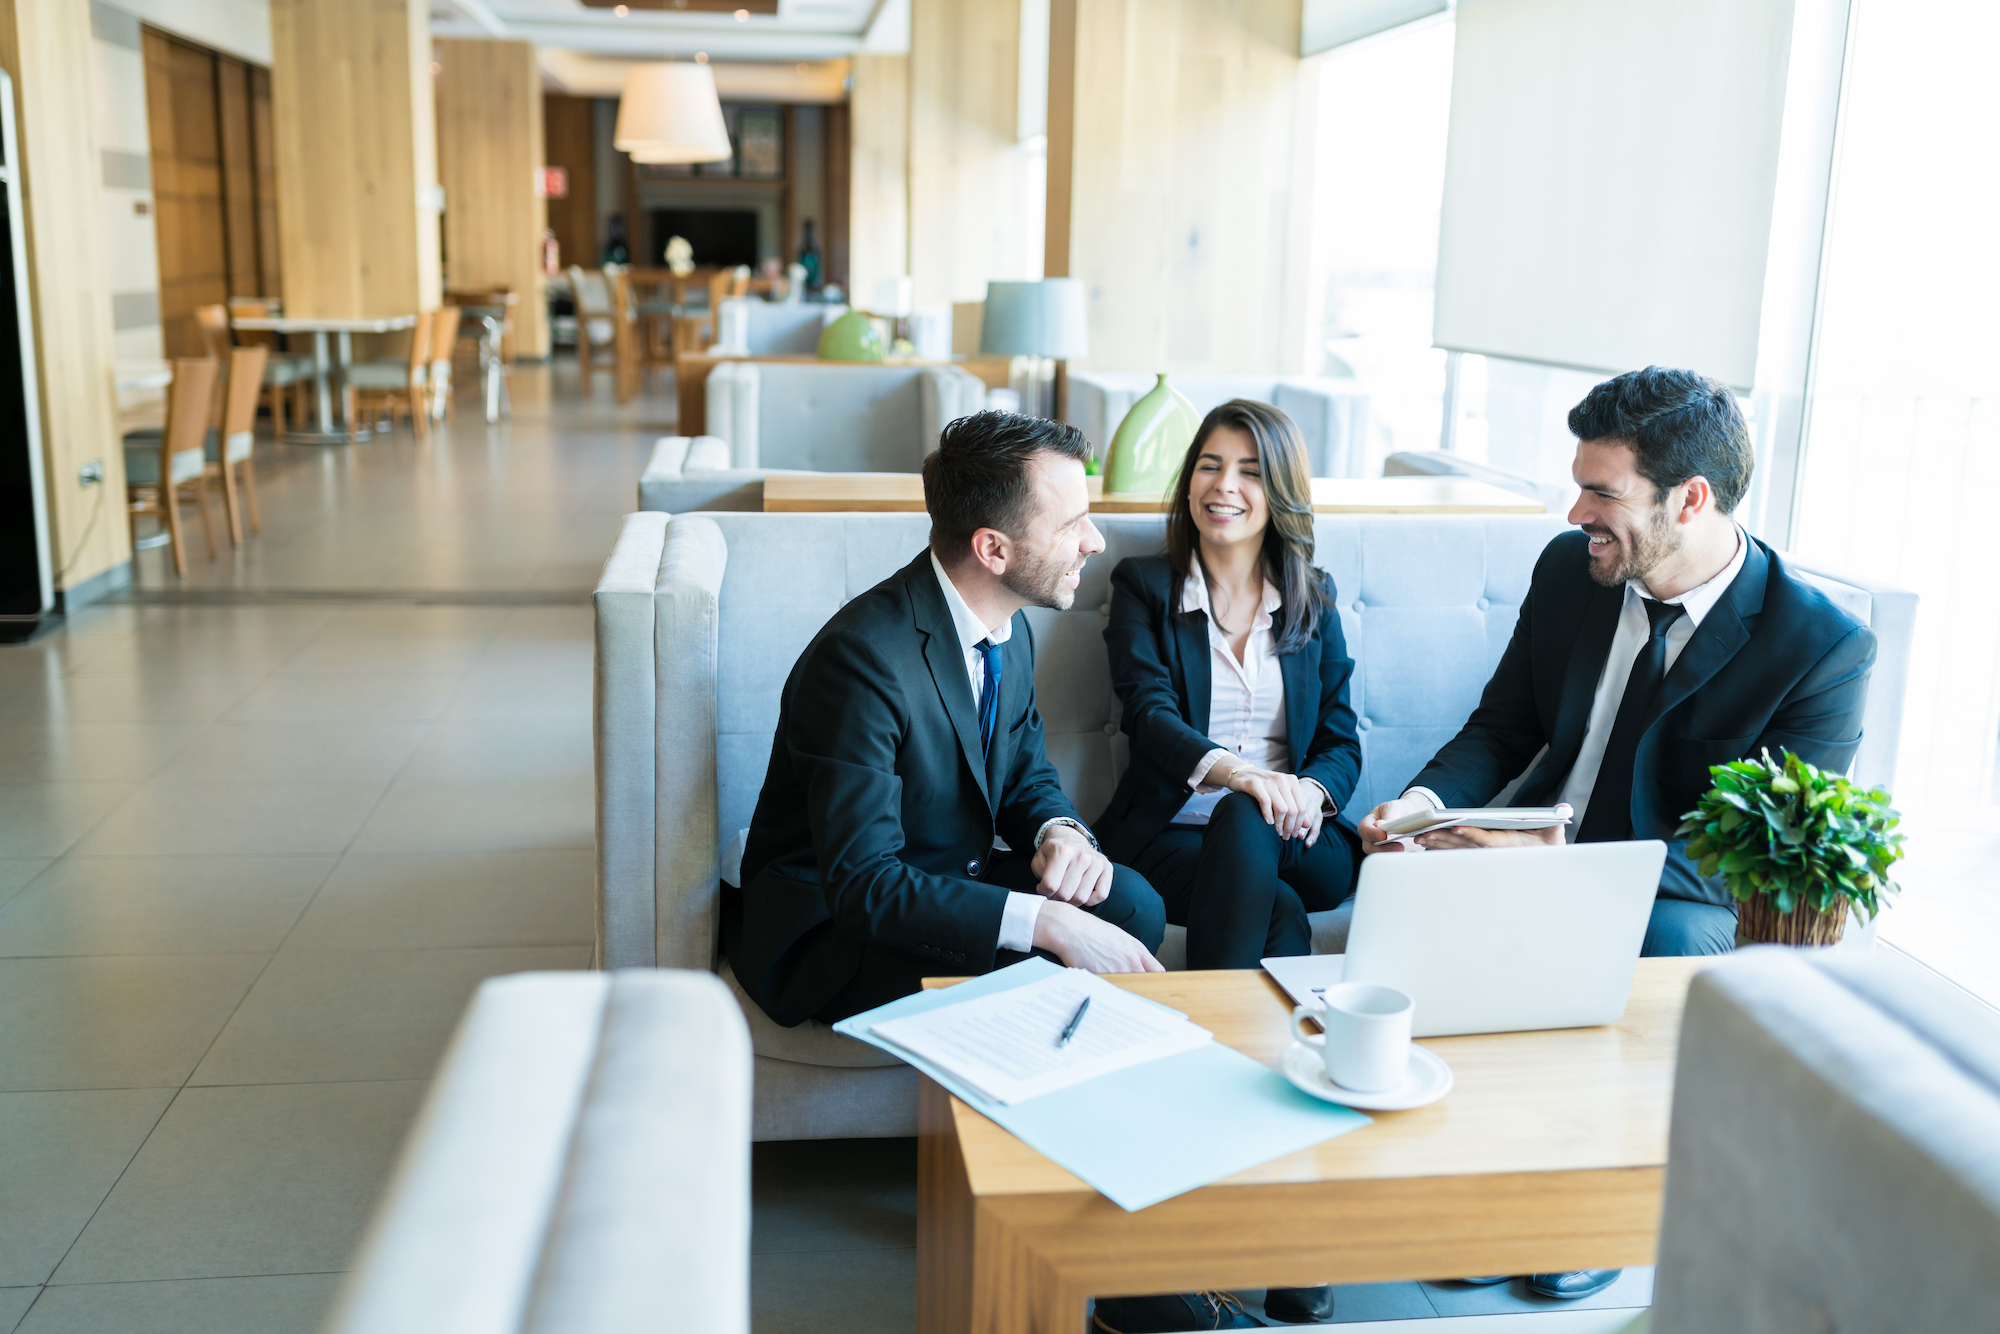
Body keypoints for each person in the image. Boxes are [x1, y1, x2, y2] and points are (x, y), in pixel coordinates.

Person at [1357, 364, 1875, 1304]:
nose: (1573, 513)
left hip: (1678, 892)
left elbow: (1762, 856)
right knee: (1431, 881)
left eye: (1602, 492)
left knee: (1656, 937)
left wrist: (1567, 868)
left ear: (1692, 500)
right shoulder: (1573, 572)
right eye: (1579, 483)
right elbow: (1503, 726)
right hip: (1541, 839)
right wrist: (1426, 805)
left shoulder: (1819, 647)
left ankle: (1588, 1211)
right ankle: (1478, 1187)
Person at [725, 412, 1166, 1029]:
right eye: (1072, 525)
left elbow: (1023, 776)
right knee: (1063, 942)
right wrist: (1044, 921)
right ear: (992, 549)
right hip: (836, 927)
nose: (1094, 540)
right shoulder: (860, 662)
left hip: (941, 873)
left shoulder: (1007, 627)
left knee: (1132, 904)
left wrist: (1059, 832)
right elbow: (865, 885)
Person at [1096, 400, 1364, 970]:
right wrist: (1241, 775)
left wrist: (1308, 794)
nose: (1224, 486)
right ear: (1189, 479)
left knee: (1249, 815)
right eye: (1210, 465)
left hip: (1300, 835)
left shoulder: (1313, 598)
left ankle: (1203, 1039)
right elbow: (1149, 715)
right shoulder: (1143, 586)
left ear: (1281, 492)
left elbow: (1340, 740)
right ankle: (1276, 1045)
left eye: (1250, 472)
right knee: (1279, 908)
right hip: (1173, 833)